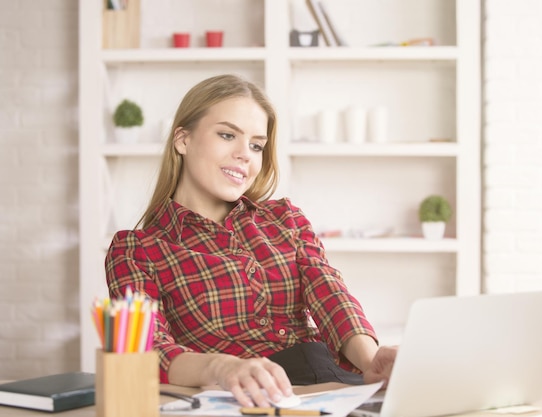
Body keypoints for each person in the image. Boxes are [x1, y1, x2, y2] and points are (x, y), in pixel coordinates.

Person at [105, 74, 397, 407]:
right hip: (241, 399)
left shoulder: (285, 219)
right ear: (182, 140)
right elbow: (148, 349)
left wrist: (372, 359)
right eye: (228, 135)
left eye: (256, 145)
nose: (245, 155)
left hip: (334, 386)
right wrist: (223, 366)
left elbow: (330, 294)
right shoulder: (137, 250)